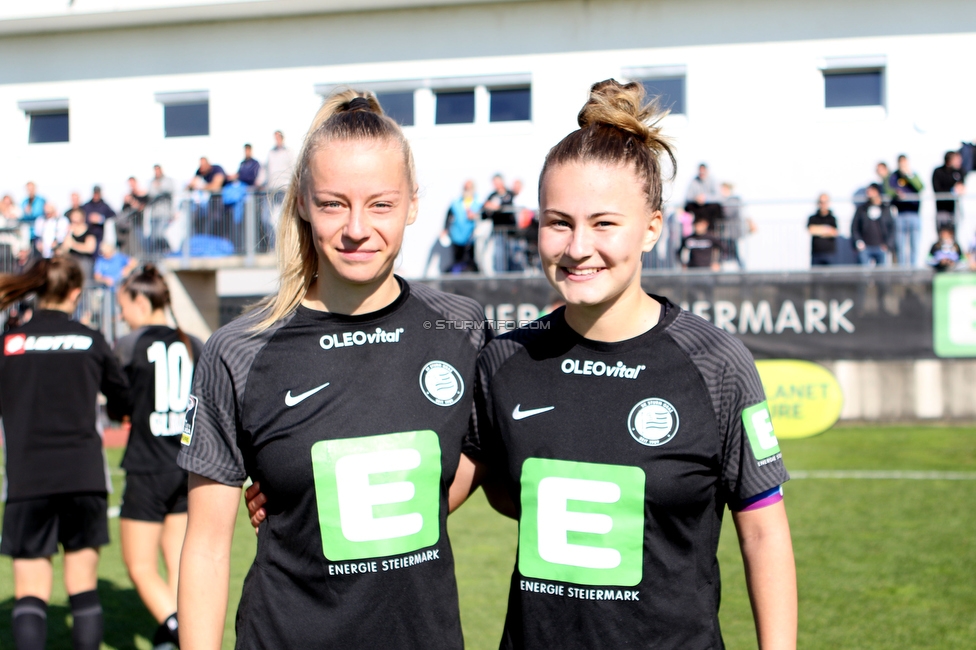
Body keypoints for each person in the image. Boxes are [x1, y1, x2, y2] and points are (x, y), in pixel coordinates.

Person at [457, 79, 795, 650]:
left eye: (604, 223)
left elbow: (763, 532)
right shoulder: (504, 360)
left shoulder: (715, 363)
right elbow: (453, 485)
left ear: (653, 228)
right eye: (558, 222)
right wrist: (288, 486)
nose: (578, 246)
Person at [176, 90, 488, 649]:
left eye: (381, 204)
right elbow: (205, 545)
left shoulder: (461, 326)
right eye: (333, 203)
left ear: (414, 204)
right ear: (301, 202)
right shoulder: (238, 350)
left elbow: (480, 451)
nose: (357, 228)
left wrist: (333, 501)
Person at [0, 256, 131, 650]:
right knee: (83, 589)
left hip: (28, 480)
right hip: (84, 476)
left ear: (39, 290)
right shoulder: (91, 340)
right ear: (76, 292)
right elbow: (122, 401)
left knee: (29, 593)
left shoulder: (10, 344)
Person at [115, 264, 203, 649]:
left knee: (139, 567)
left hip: (147, 469)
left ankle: (182, 632)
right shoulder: (194, 343)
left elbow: (116, 407)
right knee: (179, 568)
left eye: (123, 305)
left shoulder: (130, 345)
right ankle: (177, 632)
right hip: (185, 469)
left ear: (140, 299)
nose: (120, 314)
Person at [889, 155, 923, 267]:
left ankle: (913, 269)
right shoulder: (894, 176)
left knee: (914, 244)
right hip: (900, 214)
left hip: (914, 213)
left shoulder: (913, 175)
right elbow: (888, 190)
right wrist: (896, 194)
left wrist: (909, 176)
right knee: (901, 245)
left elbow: (920, 187)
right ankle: (902, 269)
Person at [851, 183, 894, 267]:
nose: (868, 193)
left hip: (881, 248)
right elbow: (854, 227)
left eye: (871, 191)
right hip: (865, 248)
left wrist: (887, 244)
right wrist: (858, 241)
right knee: (864, 275)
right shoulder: (861, 209)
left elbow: (892, 228)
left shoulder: (885, 209)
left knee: (881, 276)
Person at [444, 179, 482, 272]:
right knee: (457, 259)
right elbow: (448, 216)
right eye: (466, 188)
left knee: (470, 259)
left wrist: (476, 216)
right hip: (457, 235)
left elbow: (483, 217)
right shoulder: (456, 203)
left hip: (471, 236)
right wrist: (445, 229)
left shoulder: (478, 203)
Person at [59, 208, 98, 282]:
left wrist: (74, 244)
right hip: (71, 262)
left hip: (84, 262)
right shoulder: (69, 233)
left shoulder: (89, 233)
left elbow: (90, 249)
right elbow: (64, 249)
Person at [932, 151, 965, 232]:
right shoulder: (938, 172)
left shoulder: (958, 172)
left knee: (953, 234)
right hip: (942, 210)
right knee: (942, 233)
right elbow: (937, 190)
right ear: (949, 161)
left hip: (954, 210)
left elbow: (961, 187)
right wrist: (952, 190)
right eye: (956, 160)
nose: (959, 162)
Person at [684, 163, 723, 230]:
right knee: (689, 207)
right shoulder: (693, 181)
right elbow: (688, 197)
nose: (701, 173)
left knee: (715, 207)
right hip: (697, 207)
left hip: (709, 208)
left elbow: (718, 196)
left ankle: (709, 229)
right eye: (700, 171)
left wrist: (706, 198)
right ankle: (698, 228)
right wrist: (696, 198)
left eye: (703, 171)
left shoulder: (713, 180)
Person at [82, 185, 117, 250]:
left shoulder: (105, 206)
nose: (96, 195)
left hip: (101, 236)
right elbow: (80, 217)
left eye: (97, 193)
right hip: (88, 234)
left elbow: (114, 216)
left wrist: (100, 219)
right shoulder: (86, 206)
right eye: (95, 193)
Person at [808, 193, 839, 266]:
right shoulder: (813, 218)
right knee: (816, 276)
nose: (823, 204)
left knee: (830, 276)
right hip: (816, 253)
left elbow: (834, 232)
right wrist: (827, 229)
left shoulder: (832, 218)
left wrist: (818, 230)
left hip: (829, 253)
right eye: (821, 202)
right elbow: (811, 230)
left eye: (824, 202)